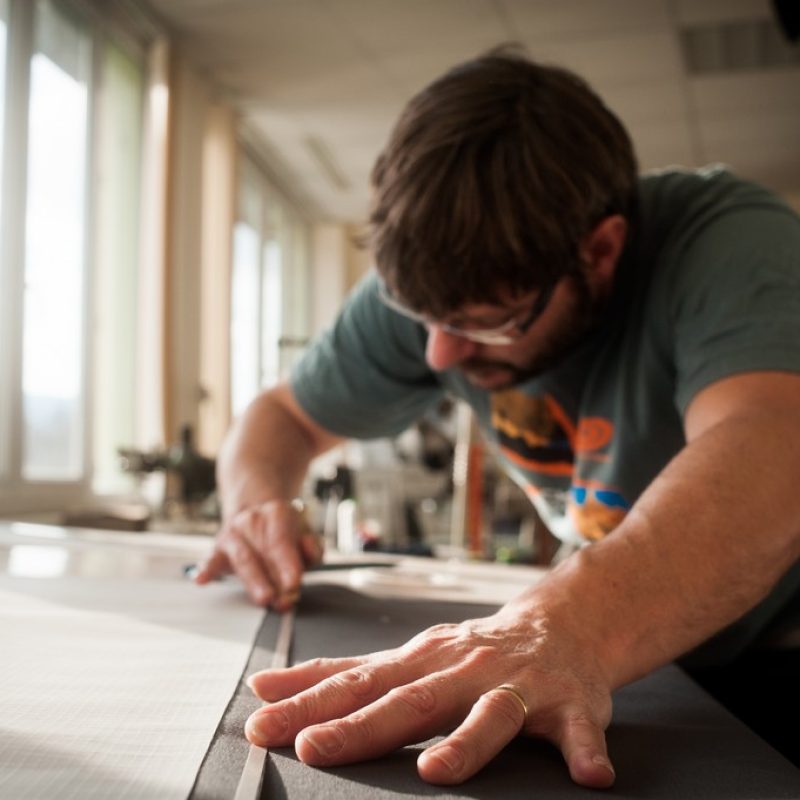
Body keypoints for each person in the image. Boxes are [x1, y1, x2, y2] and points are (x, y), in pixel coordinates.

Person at [195, 48, 800, 788]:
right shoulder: (428, 301)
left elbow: (774, 453)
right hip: (630, 650)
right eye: (423, 320)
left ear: (601, 251)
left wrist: (557, 622)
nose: (442, 355)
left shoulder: (730, 243)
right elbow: (281, 415)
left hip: (773, 641)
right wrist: (257, 505)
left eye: (487, 322)